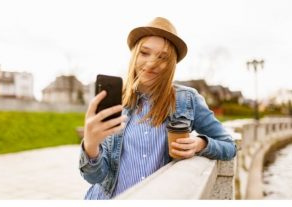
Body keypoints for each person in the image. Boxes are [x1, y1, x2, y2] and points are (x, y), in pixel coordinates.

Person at [78, 17, 236, 200]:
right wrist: (90, 145)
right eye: (144, 53)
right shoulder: (115, 101)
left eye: (163, 57)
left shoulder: (187, 99)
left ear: (172, 64)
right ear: (135, 55)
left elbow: (229, 146)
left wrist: (201, 144)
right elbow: (94, 177)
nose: (151, 63)